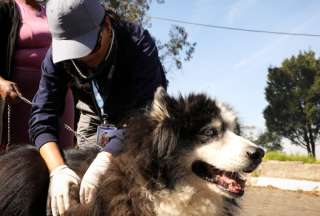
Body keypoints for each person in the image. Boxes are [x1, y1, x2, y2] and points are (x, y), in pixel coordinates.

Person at [29, 0, 167, 215]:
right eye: (73, 51)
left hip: (134, 117)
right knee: (86, 179)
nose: (83, 58)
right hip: (92, 112)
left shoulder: (138, 42)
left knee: (133, 178)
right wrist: (58, 169)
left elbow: (147, 111)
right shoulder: (55, 57)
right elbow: (42, 115)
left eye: (88, 47)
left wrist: (107, 155)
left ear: (107, 26)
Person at [0, 0, 74, 151]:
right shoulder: (5, 8)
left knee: (62, 154)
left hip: (57, 98)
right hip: (19, 101)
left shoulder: (51, 12)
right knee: (20, 163)